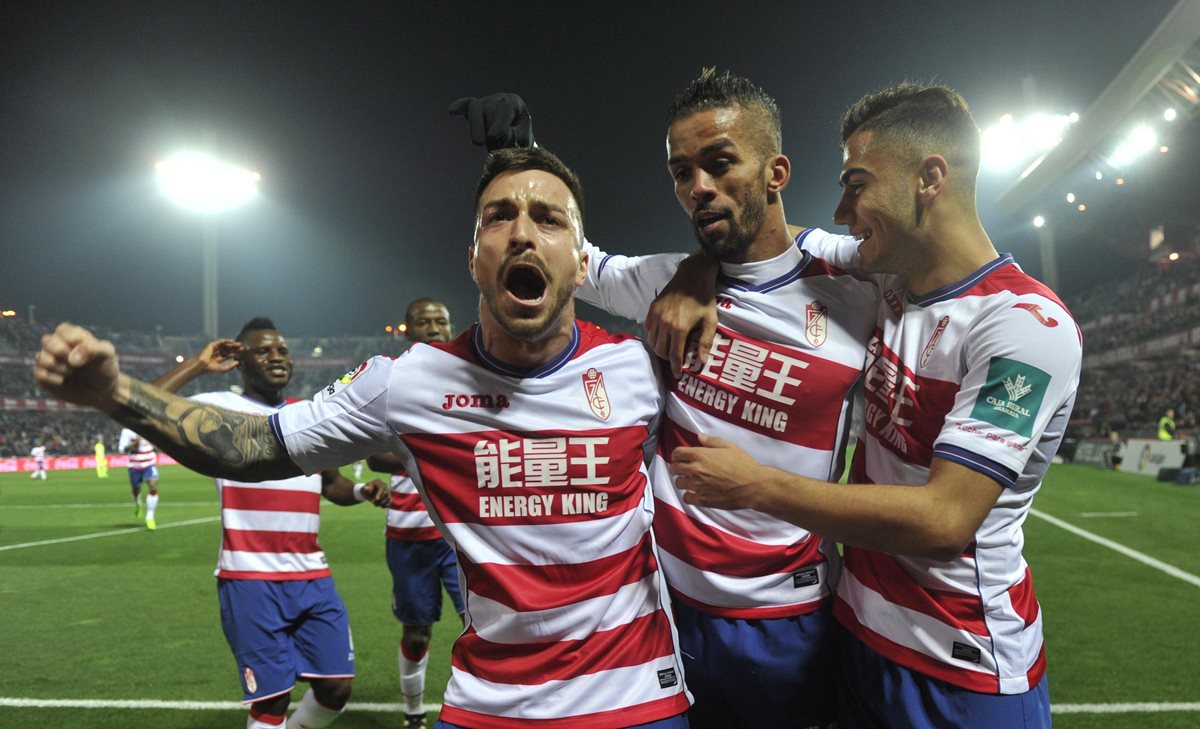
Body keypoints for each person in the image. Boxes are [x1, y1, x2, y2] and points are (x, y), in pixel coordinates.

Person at [35, 146, 691, 729]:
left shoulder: (641, 367)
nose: (522, 232)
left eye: (549, 218)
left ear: (583, 263)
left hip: (638, 700)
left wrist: (702, 276)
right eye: (498, 216)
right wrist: (112, 393)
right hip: (492, 705)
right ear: (472, 259)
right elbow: (254, 445)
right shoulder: (409, 383)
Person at [662, 82, 1082, 728]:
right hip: (857, 637)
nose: (840, 209)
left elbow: (945, 517)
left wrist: (757, 486)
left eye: (856, 185)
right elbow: (765, 240)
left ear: (929, 179)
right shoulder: (884, 274)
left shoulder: (1024, 325)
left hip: (960, 666)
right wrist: (695, 272)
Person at [152, 319, 390, 729]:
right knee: (272, 701)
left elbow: (330, 483)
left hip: (312, 575)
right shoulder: (219, 409)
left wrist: (358, 492)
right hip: (250, 579)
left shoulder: (309, 413)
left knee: (336, 688)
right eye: (263, 351)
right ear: (240, 362)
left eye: (281, 349)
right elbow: (145, 404)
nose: (276, 356)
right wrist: (198, 364)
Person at [371, 297, 465, 729]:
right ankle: (413, 715)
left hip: (462, 535)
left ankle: (488, 711)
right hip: (409, 536)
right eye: (423, 322)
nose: (433, 327)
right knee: (416, 632)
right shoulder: (390, 381)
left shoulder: (474, 376)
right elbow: (374, 456)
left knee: (486, 627)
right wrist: (442, 453)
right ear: (407, 329)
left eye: (440, 321)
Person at [118, 427, 159, 528]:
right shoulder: (127, 431)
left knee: (153, 485)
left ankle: (150, 516)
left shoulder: (149, 426)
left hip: (149, 464)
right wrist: (132, 445)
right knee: (136, 489)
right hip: (135, 466)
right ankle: (138, 503)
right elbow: (121, 449)